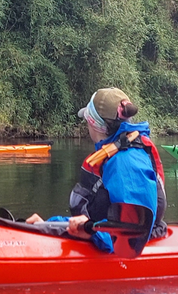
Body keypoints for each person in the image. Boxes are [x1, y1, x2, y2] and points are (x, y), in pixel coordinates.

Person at [28, 88, 167, 255]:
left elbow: (132, 232)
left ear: (95, 124)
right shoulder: (114, 154)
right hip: (100, 235)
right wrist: (49, 225)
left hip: (120, 244)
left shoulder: (126, 161)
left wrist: (93, 235)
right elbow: (96, 223)